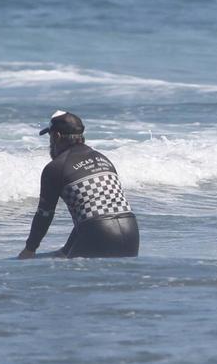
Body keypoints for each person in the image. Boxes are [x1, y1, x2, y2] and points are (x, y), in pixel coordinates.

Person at [19, 111, 139, 259]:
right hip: (131, 233)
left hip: (98, 233)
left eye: (50, 138)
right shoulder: (103, 159)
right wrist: (66, 251)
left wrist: (30, 249)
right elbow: (95, 213)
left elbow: (44, 214)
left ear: (56, 136)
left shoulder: (56, 167)